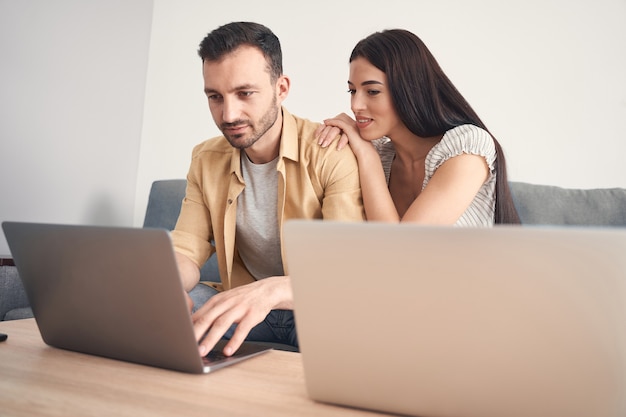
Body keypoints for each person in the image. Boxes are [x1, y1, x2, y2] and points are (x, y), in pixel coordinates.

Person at [172, 22, 365, 357]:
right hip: (242, 303)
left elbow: (345, 273)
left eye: (245, 93)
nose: (228, 114)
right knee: (165, 317)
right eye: (215, 97)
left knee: (354, 335)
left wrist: (271, 292)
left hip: (314, 308)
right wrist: (163, 285)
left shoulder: (329, 153)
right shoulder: (205, 159)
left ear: (282, 88)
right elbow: (186, 249)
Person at [316, 29, 520, 225]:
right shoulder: (381, 153)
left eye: (372, 91)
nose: (355, 105)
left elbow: (404, 249)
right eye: (352, 91)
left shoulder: (467, 149)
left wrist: (367, 156)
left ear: (407, 89)